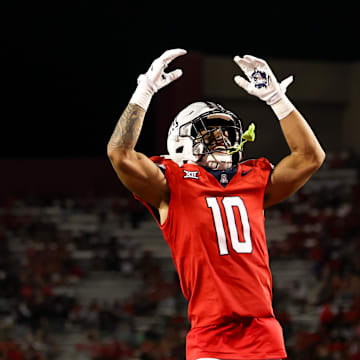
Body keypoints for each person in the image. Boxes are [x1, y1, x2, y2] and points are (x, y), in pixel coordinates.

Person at [107, 49, 325, 360]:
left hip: (263, 331)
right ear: (180, 142)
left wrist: (277, 99)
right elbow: (120, 155)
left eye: (226, 133)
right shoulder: (173, 182)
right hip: (212, 336)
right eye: (210, 134)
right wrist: (143, 93)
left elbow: (310, 157)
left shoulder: (252, 178)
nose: (222, 140)